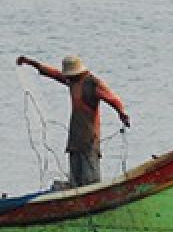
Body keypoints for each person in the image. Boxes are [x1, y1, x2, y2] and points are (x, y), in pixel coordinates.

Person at [16, 54, 130, 187]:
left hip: (89, 139)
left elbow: (113, 99)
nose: (67, 77)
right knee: (75, 181)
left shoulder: (92, 83)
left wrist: (121, 113)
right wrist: (31, 63)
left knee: (91, 181)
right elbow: (54, 74)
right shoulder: (72, 81)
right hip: (75, 138)